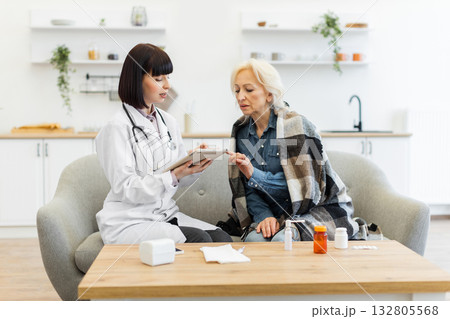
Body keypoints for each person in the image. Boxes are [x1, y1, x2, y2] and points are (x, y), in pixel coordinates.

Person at [95, 43, 232, 244]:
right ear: (136, 80)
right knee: (199, 239)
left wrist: (193, 167)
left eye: (168, 77)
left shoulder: (169, 122)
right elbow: (127, 188)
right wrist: (173, 175)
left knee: (222, 237)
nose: (167, 85)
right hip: (129, 221)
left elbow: (176, 180)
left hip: (164, 215)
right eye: (159, 79)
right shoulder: (116, 127)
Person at [226, 59, 359, 242]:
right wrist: (264, 216)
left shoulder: (297, 126)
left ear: (269, 94)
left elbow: (305, 188)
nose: (240, 97)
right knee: (254, 241)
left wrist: (253, 174)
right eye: (237, 90)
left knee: (283, 240)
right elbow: (247, 190)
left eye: (249, 90)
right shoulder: (241, 131)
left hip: (313, 209)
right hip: (273, 212)